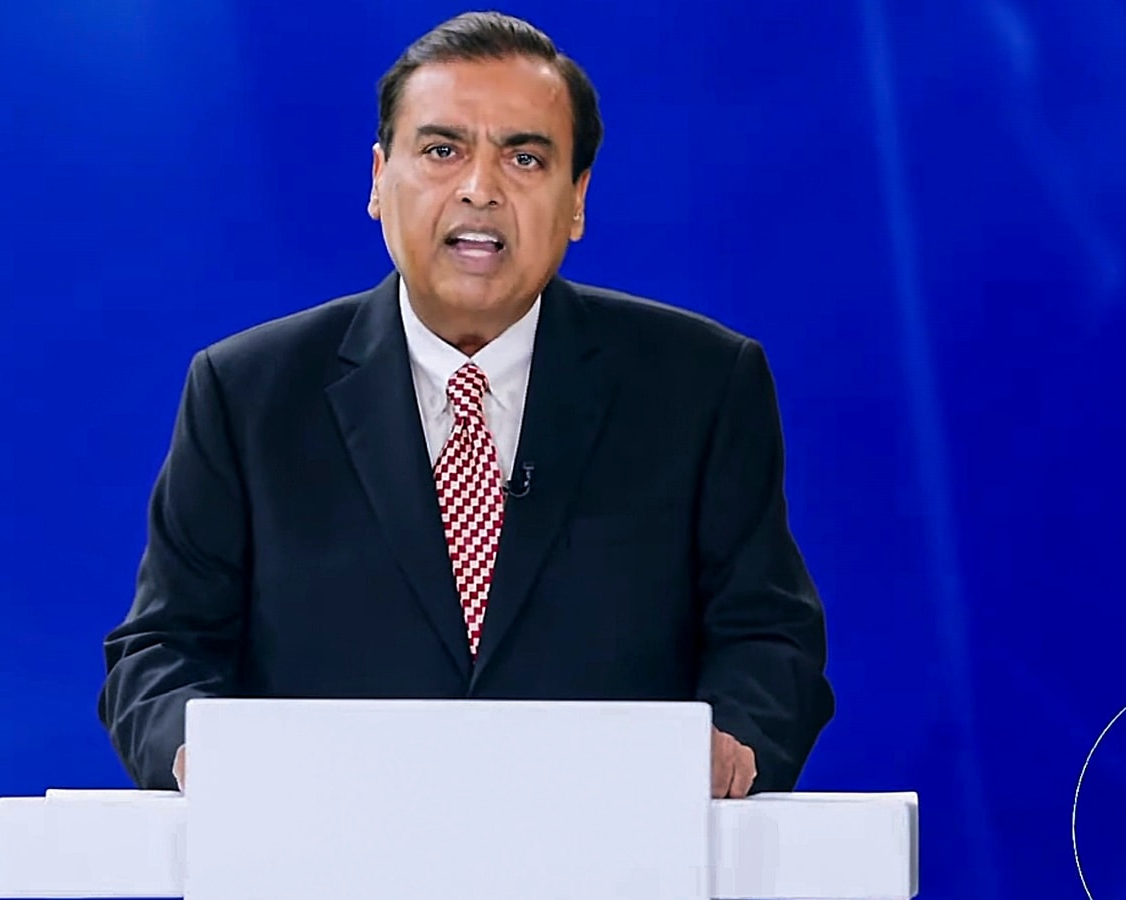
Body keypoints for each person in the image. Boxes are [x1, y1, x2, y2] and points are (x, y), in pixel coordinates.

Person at [98, 11, 833, 799]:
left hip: (615, 839)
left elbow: (768, 638)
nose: (480, 189)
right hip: (328, 838)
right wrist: (198, 753)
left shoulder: (699, 385)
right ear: (378, 179)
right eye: (442, 151)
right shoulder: (247, 393)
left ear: (577, 199)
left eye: (525, 157)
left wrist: (734, 745)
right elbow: (162, 650)